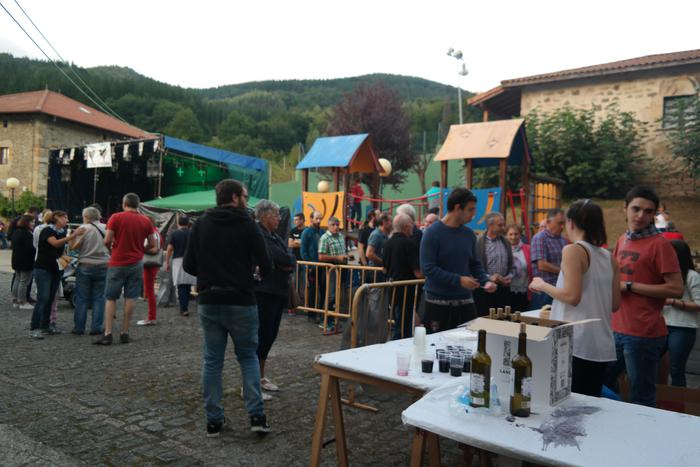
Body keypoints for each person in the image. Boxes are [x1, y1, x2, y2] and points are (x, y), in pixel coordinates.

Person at [183, 179, 272, 437]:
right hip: (241, 300)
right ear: (234, 197)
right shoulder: (248, 224)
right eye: (244, 195)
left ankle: (213, 420)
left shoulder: (201, 224)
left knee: (212, 361)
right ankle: (257, 417)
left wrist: (209, 274)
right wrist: (252, 277)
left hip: (209, 300)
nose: (246, 200)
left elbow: (188, 264)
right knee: (248, 357)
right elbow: (266, 263)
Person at [530, 200, 621, 397]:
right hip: (601, 344)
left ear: (570, 223)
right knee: (590, 402)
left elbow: (572, 297)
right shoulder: (610, 257)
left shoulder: (572, 250)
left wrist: (541, 285)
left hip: (575, 342)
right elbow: (615, 304)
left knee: (567, 402)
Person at [604, 186, 683, 407]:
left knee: (642, 397)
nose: (641, 215)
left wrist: (630, 286)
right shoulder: (623, 239)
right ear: (625, 208)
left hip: (643, 332)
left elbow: (676, 289)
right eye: (636, 209)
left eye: (648, 211)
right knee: (601, 384)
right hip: (616, 328)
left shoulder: (661, 245)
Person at [419, 188, 496, 333]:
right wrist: (459, 280)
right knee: (436, 344)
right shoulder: (432, 233)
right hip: (437, 302)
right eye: (470, 209)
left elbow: (474, 264)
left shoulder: (469, 234)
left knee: (470, 341)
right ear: (457, 208)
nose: (474, 214)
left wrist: (485, 281)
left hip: (465, 301)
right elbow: (427, 268)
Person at [94, 193, 158, 345]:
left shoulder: (115, 217)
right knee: (131, 297)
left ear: (124, 204)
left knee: (111, 298)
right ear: (138, 205)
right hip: (136, 263)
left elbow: (107, 240)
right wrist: (140, 249)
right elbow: (152, 245)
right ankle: (124, 332)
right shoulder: (146, 220)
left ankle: (108, 333)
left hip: (117, 262)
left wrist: (111, 250)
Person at [254, 200, 296, 400]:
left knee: (270, 336)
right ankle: (251, 383)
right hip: (264, 293)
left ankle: (260, 377)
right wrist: (283, 263)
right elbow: (279, 258)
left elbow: (289, 259)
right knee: (261, 336)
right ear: (265, 216)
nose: (280, 218)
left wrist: (285, 263)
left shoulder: (274, 235)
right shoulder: (259, 234)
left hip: (276, 291)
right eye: (276, 215)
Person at [29, 211, 84, 339]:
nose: (67, 220)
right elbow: (55, 243)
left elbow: (64, 247)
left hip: (56, 268)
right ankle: (34, 327)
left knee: (50, 298)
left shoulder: (62, 232)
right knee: (43, 297)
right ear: (56, 218)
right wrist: (73, 235)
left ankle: (45, 326)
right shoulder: (47, 230)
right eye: (64, 217)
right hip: (43, 268)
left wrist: (74, 239)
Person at [661, 240, 700, 387]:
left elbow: (698, 304)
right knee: (647, 361)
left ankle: (678, 399)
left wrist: (673, 302)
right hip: (661, 325)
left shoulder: (691, 276)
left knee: (676, 368)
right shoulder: (664, 274)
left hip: (683, 327)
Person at [69, 206, 109, 335]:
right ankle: (96, 327)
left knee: (82, 298)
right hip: (103, 265)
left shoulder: (83, 229)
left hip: (85, 265)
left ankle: (79, 327)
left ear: (86, 217)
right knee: (99, 298)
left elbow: (73, 247)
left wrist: (73, 236)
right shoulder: (106, 228)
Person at [383, 213, 424, 339]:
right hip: (406, 291)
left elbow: (384, 269)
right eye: (411, 224)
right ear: (406, 226)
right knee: (404, 327)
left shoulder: (387, 243)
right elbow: (418, 273)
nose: (413, 227)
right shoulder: (409, 244)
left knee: (397, 323)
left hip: (393, 288)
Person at [474, 212, 514, 316]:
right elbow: (473, 267)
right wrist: (490, 278)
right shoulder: (478, 243)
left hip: (503, 290)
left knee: (503, 319)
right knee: (485, 319)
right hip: (485, 290)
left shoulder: (506, 242)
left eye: (503, 224)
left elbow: (511, 266)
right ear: (490, 226)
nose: (503, 228)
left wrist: (508, 277)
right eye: (500, 225)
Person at [530, 208, 567, 310]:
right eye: (559, 223)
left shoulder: (562, 240)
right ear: (548, 222)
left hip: (558, 289)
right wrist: (564, 271)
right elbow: (542, 265)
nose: (562, 227)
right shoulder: (540, 238)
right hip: (543, 291)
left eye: (563, 223)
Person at [318, 216, 348, 332]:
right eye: (333, 225)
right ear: (328, 225)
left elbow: (342, 252)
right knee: (331, 295)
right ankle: (325, 320)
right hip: (330, 269)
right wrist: (337, 258)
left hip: (341, 268)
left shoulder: (341, 236)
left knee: (337, 295)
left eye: (337, 225)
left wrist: (345, 256)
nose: (336, 227)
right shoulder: (325, 238)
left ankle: (334, 320)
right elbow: (321, 257)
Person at [165, 215, 196, 317]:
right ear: (188, 223)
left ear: (178, 223)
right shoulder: (193, 233)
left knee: (181, 285)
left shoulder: (174, 233)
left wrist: (167, 262)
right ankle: (186, 304)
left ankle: (184, 308)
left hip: (178, 261)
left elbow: (169, 249)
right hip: (191, 260)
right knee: (188, 283)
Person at [138, 216, 162, 326]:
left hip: (149, 264)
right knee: (149, 290)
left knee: (150, 291)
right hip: (152, 264)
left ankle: (151, 317)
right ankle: (151, 317)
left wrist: (141, 249)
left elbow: (155, 249)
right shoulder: (156, 232)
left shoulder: (152, 233)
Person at [301, 210, 324, 320]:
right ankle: (311, 315)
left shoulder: (322, 231)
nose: (319, 221)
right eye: (317, 218)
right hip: (312, 267)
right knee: (313, 291)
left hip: (323, 266)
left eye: (320, 218)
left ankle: (321, 313)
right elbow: (303, 252)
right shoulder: (306, 232)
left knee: (323, 290)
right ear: (311, 219)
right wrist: (310, 266)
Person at [10, 214, 35, 310]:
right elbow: (30, 248)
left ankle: (15, 300)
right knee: (23, 282)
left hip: (16, 260)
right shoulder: (27, 234)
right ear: (26, 223)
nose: (33, 223)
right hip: (25, 261)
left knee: (17, 279)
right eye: (32, 221)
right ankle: (22, 302)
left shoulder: (16, 232)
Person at [505, 224, 531, 312]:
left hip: (524, 290)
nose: (513, 237)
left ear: (520, 235)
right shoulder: (503, 249)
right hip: (507, 290)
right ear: (506, 235)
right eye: (510, 234)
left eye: (516, 234)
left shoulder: (528, 249)